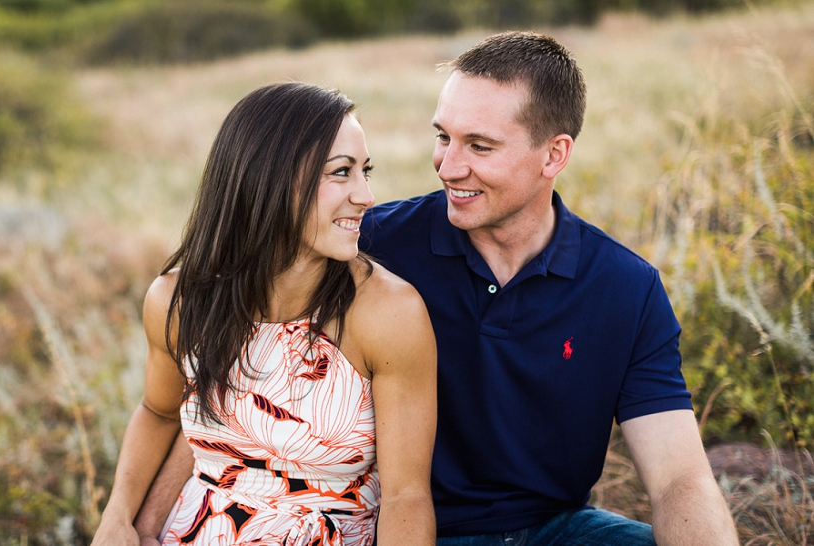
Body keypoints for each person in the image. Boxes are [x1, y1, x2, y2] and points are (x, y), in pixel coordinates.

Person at [134, 32, 740, 545]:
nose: (449, 165)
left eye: (480, 146)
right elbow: (238, 386)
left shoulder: (624, 288)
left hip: (553, 527)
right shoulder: (365, 245)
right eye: (443, 136)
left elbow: (679, 477)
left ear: (553, 155)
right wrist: (138, 523)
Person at [90, 82, 437, 546]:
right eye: (341, 173)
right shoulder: (178, 301)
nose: (365, 195)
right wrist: (119, 518)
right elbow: (157, 412)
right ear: (269, 179)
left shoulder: (388, 313)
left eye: (365, 171)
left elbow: (405, 497)